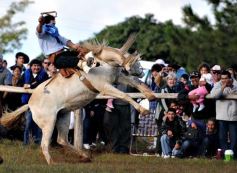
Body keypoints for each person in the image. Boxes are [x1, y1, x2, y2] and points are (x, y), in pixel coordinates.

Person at [21, 59, 49, 145]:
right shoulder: (25, 74)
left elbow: (42, 84)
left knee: (39, 123)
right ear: (31, 66)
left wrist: (29, 85)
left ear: (41, 67)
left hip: (40, 103)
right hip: (28, 103)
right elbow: (20, 83)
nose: (36, 67)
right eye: (34, 66)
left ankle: (37, 142)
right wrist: (24, 85)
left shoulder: (44, 75)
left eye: (38, 66)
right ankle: (26, 143)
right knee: (28, 123)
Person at [210, 70, 237, 159]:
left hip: (234, 116)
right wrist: (223, 87)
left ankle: (233, 155)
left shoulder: (236, 84)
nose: (223, 80)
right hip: (222, 115)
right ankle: (225, 155)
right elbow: (213, 95)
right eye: (222, 78)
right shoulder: (218, 84)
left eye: (225, 78)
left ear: (230, 78)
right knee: (222, 137)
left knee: (234, 138)